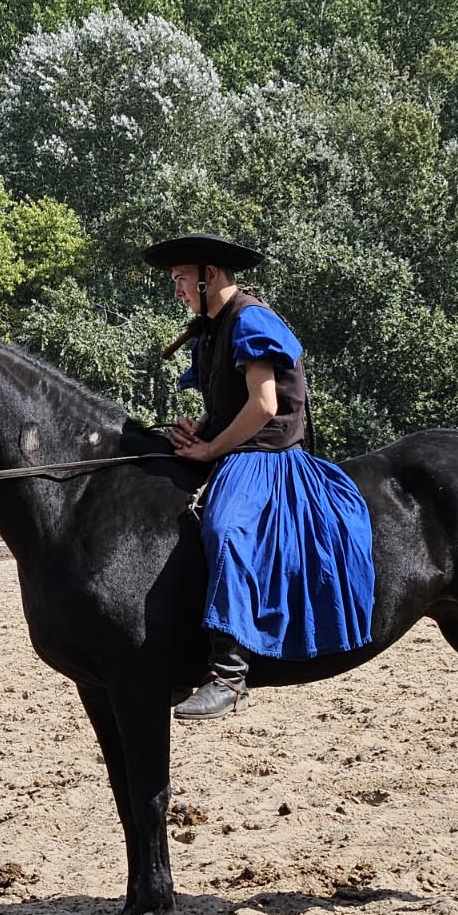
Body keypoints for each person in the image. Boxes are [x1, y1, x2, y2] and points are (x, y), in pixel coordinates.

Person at [141, 233, 375, 719]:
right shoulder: (211, 329)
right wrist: (199, 428)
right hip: (236, 448)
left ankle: (230, 674)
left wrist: (210, 448)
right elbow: (229, 406)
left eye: (181, 278)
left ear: (209, 275)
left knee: (227, 528)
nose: (177, 289)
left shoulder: (250, 319)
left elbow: (265, 405)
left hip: (266, 457)